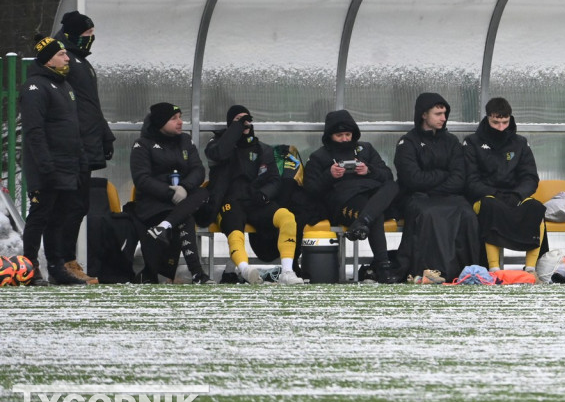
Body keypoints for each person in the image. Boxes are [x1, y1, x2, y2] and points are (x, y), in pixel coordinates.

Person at [205, 106, 305, 285]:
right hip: (230, 202)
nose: (245, 123)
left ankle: (288, 271)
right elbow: (220, 152)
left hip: (256, 202)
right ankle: (245, 270)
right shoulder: (216, 144)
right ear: (230, 125)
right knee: (235, 231)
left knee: (287, 218)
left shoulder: (263, 149)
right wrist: (236, 129)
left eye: (247, 119)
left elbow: (275, 180)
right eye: (238, 119)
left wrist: (264, 195)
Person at [19, 37, 89, 285]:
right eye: (61, 54)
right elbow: (34, 131)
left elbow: (73, 128)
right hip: (46, 167)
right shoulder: (35, 88)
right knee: (40, 216)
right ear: (48, 58)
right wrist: (45, 165)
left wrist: (80, 161)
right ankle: (29, 269)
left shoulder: (65, 87)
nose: (67, 57)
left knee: (60, 218)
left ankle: (56, 267)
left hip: (68, 166)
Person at [303, 109, 400, 283]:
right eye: (339, 135)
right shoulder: (319, 156)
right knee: (374, 213)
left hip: (371, 195)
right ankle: (383, 266)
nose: (345, 139)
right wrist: (329, 175)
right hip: (345, 203)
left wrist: (368, 169)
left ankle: (363, 223)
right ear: (330, 135)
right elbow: (310, 190)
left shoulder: (366, 149)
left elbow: (387, 175)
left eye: (348, 134)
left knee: (392, 186)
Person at [393, 92, 479, 282]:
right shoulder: (407, 142)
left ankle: (468, 271)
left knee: (467, 213)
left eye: (445, 113)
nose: (443, 118)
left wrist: (432, 186)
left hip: (447, 196)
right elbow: (412, 179)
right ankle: (429, 271)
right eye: (438, 114)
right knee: (429, 214)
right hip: (417, 198)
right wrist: (442, 175)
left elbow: (459, 178)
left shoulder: (451, 142)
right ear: (424, 115)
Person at [59, 11, 116, 285]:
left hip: (87, 144)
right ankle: (63, 262)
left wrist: (105, 135)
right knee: (69, 206)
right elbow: (68, 107)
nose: (91, 40)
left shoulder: (81, 61)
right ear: (72, 35)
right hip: (74, 146)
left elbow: (90, 104)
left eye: (92, 35)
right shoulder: (64, 60)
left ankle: (67, 261)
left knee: (79, 205)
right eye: (87, 35)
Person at [130, 103, 211, 284]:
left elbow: (198, 170)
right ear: (160, 122)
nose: (180, 122)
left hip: (183, 198)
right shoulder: (142, 144)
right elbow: (141, 179)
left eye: (180, 117)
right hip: (154, 204)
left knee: (204, 192)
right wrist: (170, 193)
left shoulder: (185, 141)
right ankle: (197, 273)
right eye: (174, 118)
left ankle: (163, 228)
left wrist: (184, 187)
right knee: (186, 217)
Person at [463, 97, 546, 273]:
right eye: (496, 122)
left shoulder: (520, 143)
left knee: (536, 208)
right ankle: (494, 269)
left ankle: (531, 269)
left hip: (515, 196)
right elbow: (470, 180)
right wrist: (494, 193)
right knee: (490, 206)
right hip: (487, 197)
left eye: (505, 122)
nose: (501, 127)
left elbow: (530, 177)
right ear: (487, 119)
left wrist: (518, 194)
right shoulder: (472, 142)